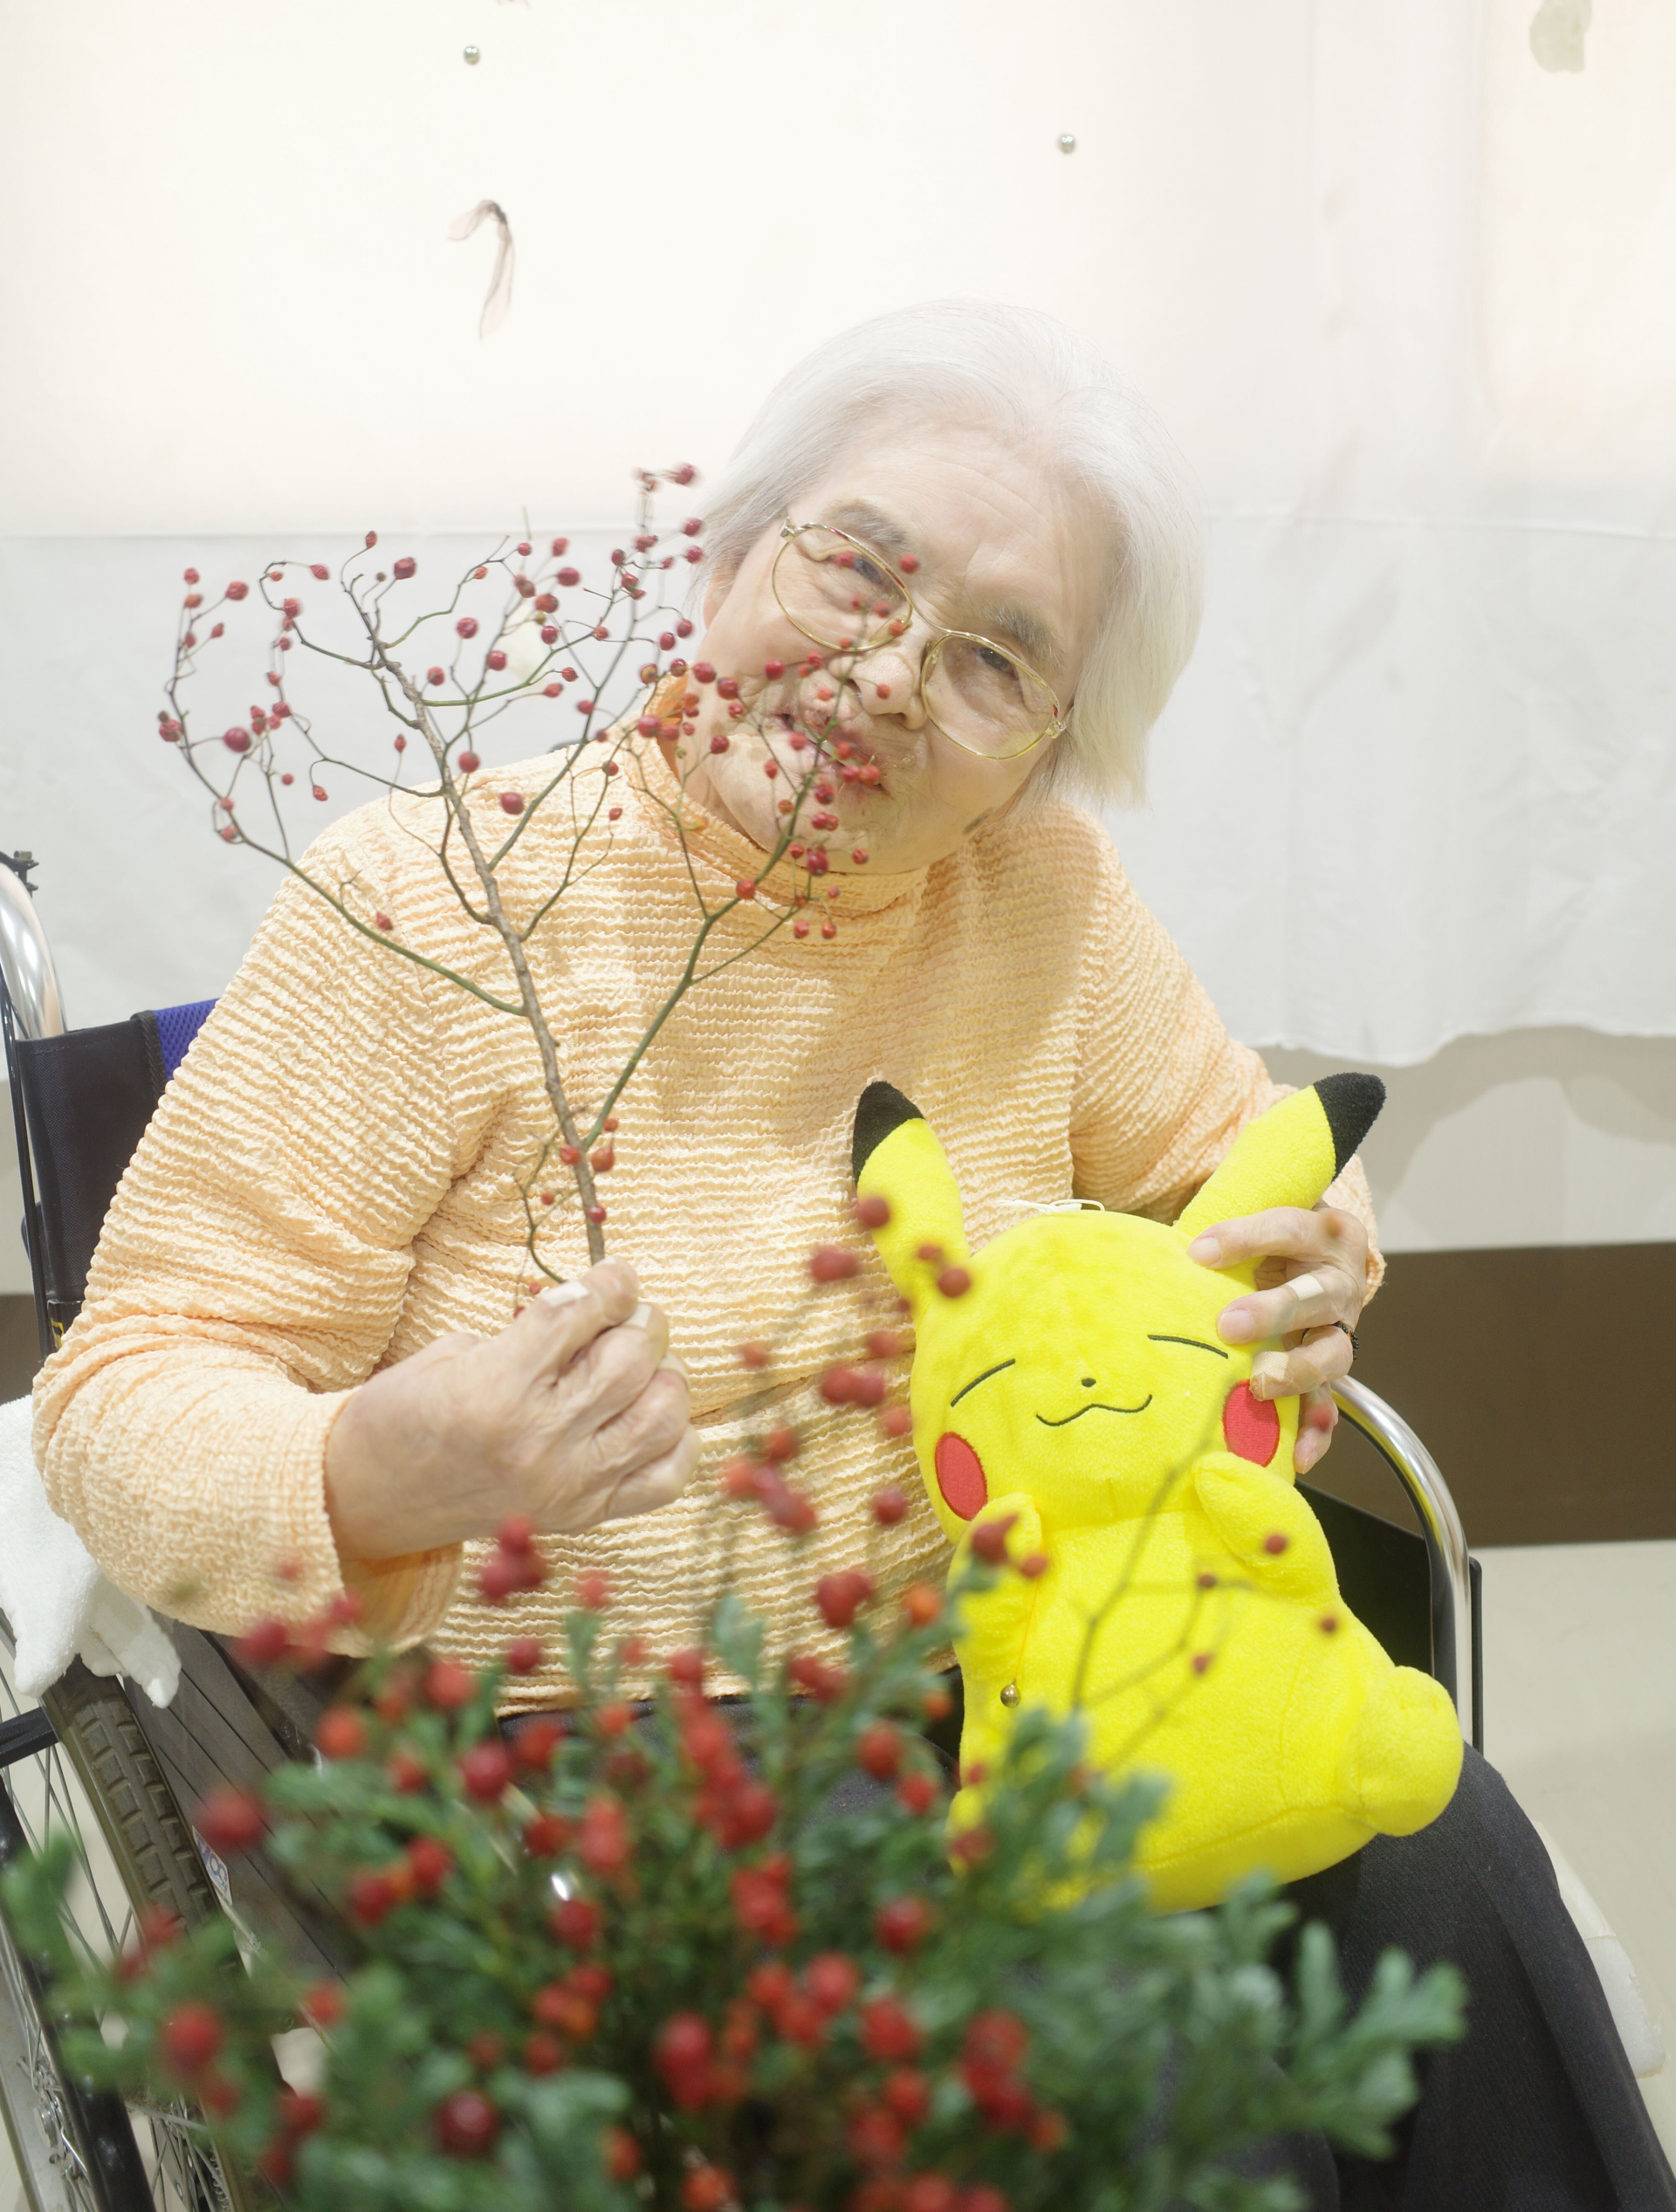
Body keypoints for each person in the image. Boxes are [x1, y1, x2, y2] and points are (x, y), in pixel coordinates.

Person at [32, 302, 1673, 2206]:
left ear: (1048, 754)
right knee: (1135, 2036)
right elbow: (118, 1397)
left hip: (1033, 1671)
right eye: (859, 570)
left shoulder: (1041, 899)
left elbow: (1237, 1162)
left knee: (1448, 1854)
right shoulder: (427, 905)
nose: (889, 676)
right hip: (617, 1773)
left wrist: (1307, 1275)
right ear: (733, 550)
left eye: (993, 660)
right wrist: (372, 1468)